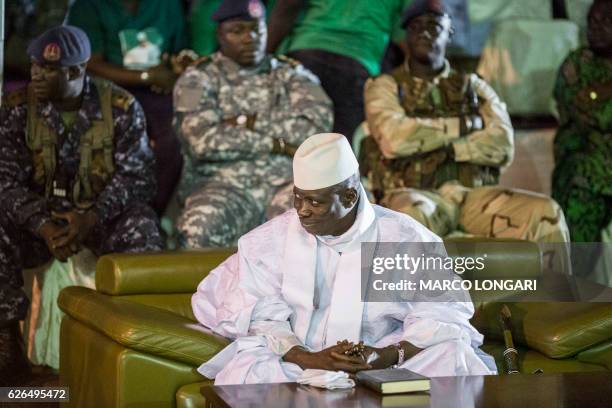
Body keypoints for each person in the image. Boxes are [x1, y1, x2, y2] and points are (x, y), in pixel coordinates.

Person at [192, 133, 496, 385]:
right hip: (295, 363)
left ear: (350, 197)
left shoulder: (403, 239)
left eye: (315, 201)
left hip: (380, 365)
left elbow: (442, 315)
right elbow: (258, 317)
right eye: (298, 198)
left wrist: (385, 355)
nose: (303, 210)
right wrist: (310, 357)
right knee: (247, 371)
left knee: (452, 356)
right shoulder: (271, 241)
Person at [0, 26, 163, 385]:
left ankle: (136, 338)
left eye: (48, 69)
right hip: (37, 221)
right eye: (34, 66)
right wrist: (42, 225)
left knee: (143, 227)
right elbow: (4, 180)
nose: (36, 75)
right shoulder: (16, 108)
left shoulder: (119, 107)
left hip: (98, 216)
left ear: (76, 71)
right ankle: (6, 339)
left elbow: (139, 178)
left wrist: (92, 217)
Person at [363, 0, 570, 243]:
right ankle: (417, 283)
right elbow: (394, 139)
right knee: (408, 218)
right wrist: (464, 127)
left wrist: (449, 148)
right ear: (406, 35)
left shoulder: (475, 86)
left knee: (547, 212)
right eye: (415, 26)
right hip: (415, 195)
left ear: (449, 32)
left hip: (472, 197)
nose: (424, 32)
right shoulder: (384, 86)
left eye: (434, 26)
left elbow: (502, 146)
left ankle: (557, 283)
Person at [173, 0, 333, 248]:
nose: (250, 38)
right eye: (237, 31)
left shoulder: (292, 75)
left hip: (285, 185)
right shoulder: (198, 78)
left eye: (257, 29)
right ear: (220, 35)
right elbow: (202, 141)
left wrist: (242, 124)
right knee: (199, 227)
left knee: (315, 223)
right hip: (223, 186)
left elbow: (313, 131)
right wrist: (277, 144)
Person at [67, 0, 189, 214]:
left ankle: (152, 211)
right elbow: (90, 63)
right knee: (111, 138)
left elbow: (178, 51)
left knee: (176, 133)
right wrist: (145, 76)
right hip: (105, 91)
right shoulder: (88, 7)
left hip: (157, 91)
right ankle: (108, 211)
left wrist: (173, 69)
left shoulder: (167, 5)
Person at [266, 0, 411, 141]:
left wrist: (266, 56)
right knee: (340, 150)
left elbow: (289, 5)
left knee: (293, 139)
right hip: (358, 63)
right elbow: (411, 25)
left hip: (308, 52)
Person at [552, 0, 612, 243]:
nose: (596, 27)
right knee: (581, 199)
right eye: (592, 21)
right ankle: (575, 277)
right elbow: (592, 115)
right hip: (587, 162)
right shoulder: (577, 64)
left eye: (606, 20)